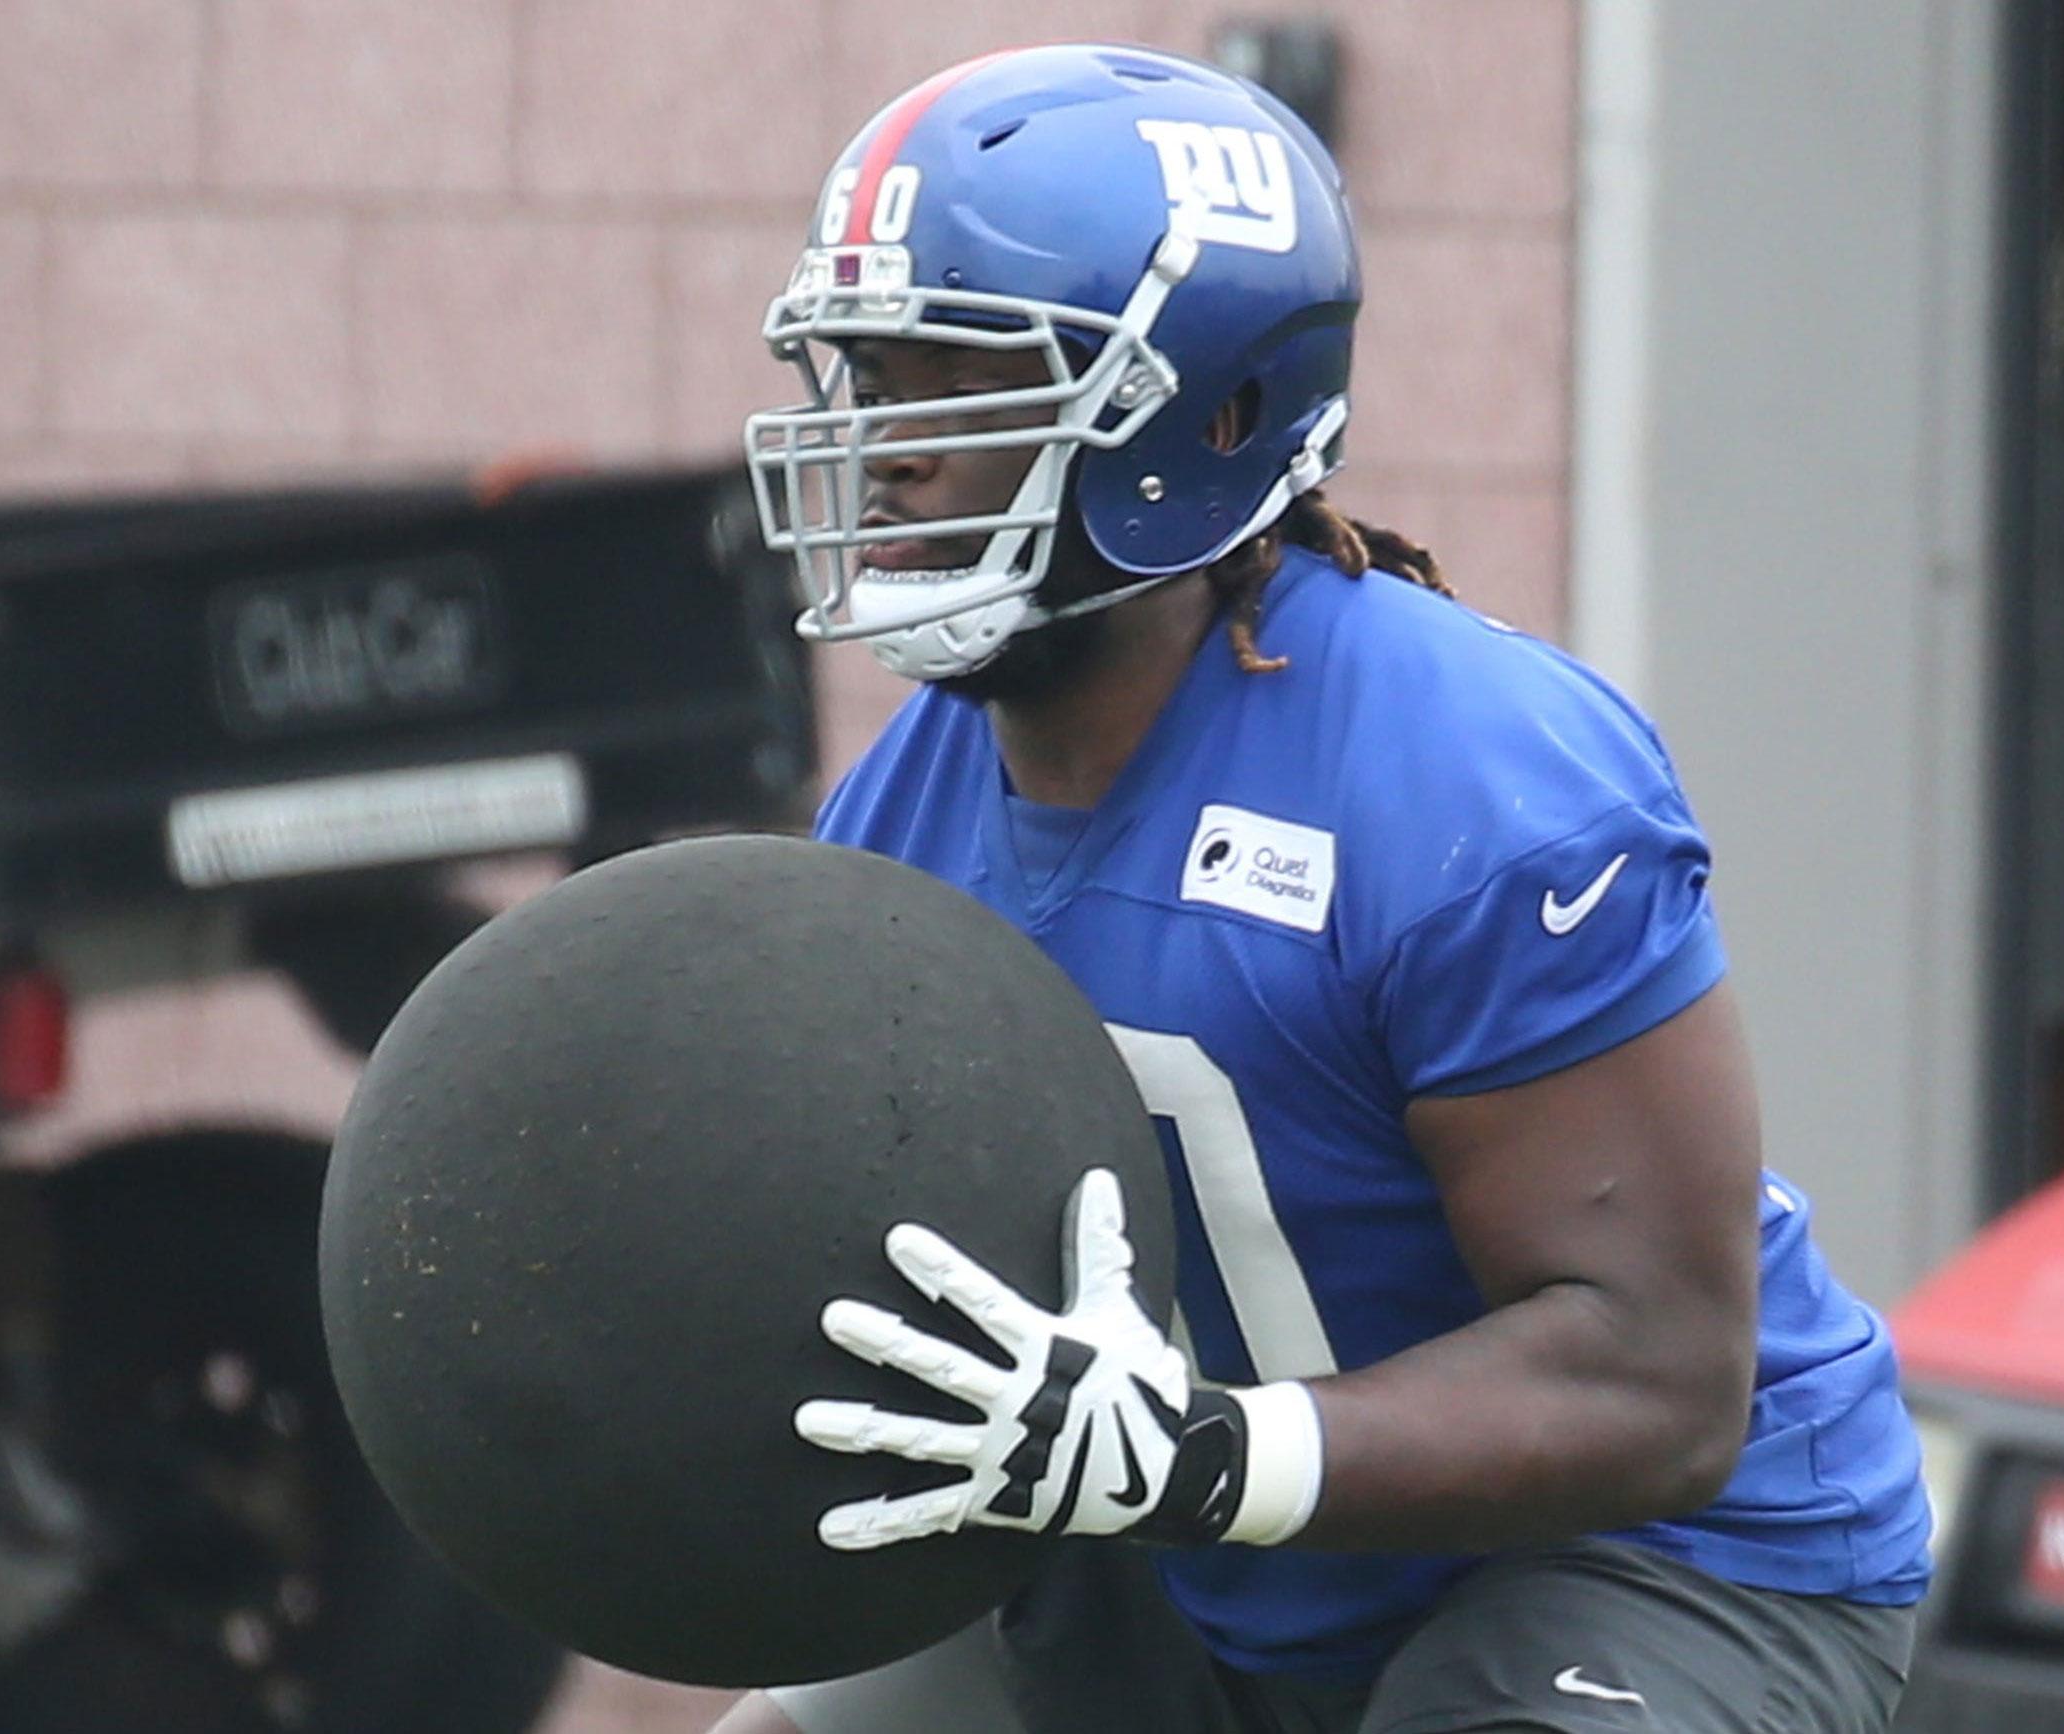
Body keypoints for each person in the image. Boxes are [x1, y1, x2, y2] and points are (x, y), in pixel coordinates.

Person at [720, 43, 1929, 1734]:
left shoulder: (1471, 780)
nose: (892, 451)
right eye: (870, 373)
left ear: (1206, 419)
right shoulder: (897, 806)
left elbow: (1655, 1376)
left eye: (960, 378)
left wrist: (1205, 1448)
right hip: (1177, 1533)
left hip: (1646, 1553)